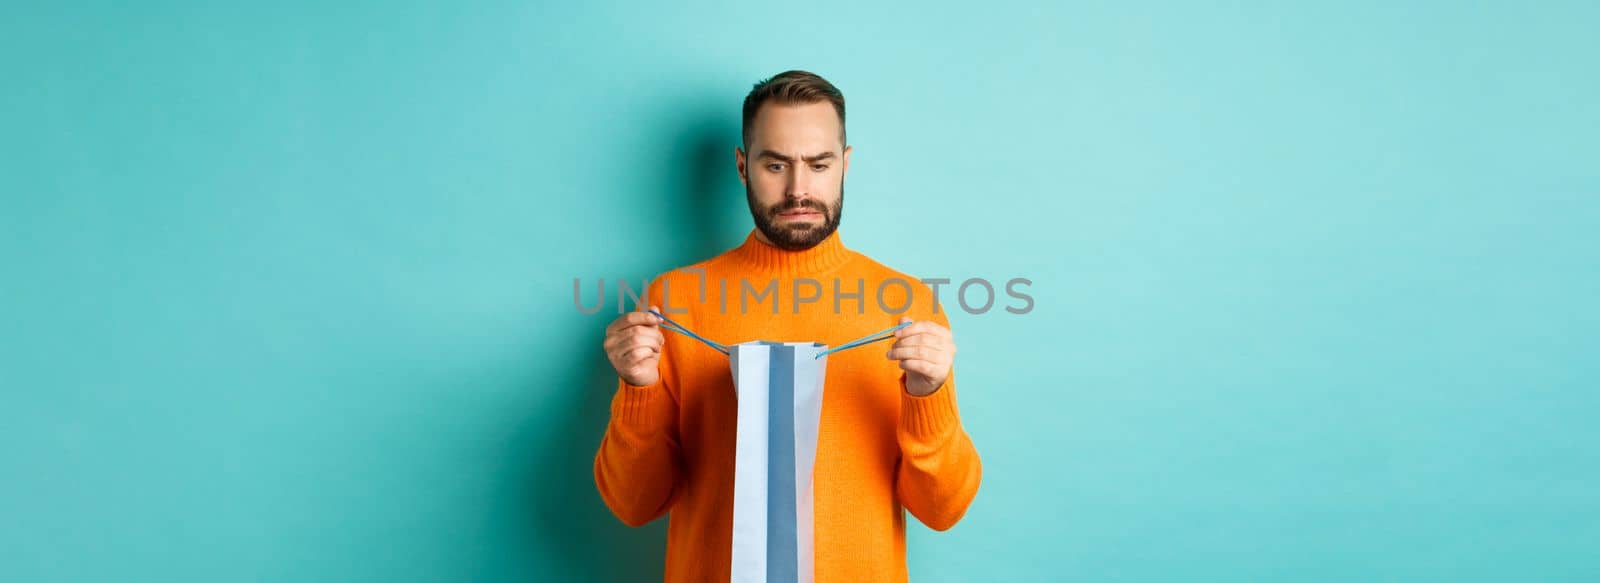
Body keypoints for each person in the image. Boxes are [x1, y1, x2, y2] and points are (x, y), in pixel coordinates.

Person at [594, 70, 981, 581]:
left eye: (818, 164)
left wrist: (927, 396)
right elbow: (634, 505)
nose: (799, 189)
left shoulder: (905, 303)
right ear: (742, 166)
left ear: (845, 165)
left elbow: (943, 510)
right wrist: (638, 390)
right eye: (775, 164)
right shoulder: (674, 302)